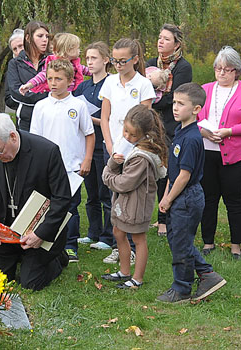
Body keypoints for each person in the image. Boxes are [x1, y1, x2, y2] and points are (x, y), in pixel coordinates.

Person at [0, 112, 71, 291]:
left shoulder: (47, 152)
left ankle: (58, 257)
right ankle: (18, 256)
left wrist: (41, 234)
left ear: (12, 137)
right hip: (6, 231)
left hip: (39, 231)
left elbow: (62, 198)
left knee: (30, 283)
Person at [157, 83, 227, 302]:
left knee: (181, 243)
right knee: (180, 240)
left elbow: (185, 176)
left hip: (187, 197)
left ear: (196, 109)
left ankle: (181, 289)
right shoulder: (181, 131)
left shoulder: (191, 138)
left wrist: (169, 198)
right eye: (174, 102)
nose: (175, 108)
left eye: (181, 104)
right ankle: (207, 275)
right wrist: (165, 193)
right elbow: (173, 171)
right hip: (178, 193)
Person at [197, 46, 241, 259]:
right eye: (218, 68)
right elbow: (192, 117)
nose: (222, 73)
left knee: (234, 199)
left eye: (227, 69)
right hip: (207, 153)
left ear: (236, 71)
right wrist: (204, 133)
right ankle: (208, 242)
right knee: (208, 198)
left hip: (237, 155)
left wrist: (229, 131)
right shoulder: (205, 89)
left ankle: (236, 244)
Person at [30, 59, 95, 262]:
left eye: (58, 79)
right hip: (46, 167)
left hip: (71, 168)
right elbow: (34, 139)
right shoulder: (40, 106)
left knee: (70, 208)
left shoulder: (78, 106)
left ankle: (70, 246)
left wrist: (87, 159)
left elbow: (89, 134)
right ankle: (48, 242)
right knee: (47, 207)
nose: (53, 82)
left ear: (70, 81)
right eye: (50, 78)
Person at [99, 38, 156, 264]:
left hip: (134, 151)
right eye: (115, 61)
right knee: (112, 197)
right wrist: (111, 148)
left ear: (135, 59)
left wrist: (129, 149)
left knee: (130, 200)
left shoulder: (143, 85)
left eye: (123, 61)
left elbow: (144, 122)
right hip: (113, 147)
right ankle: (118, 244)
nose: (118, 65)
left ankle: (131, 247)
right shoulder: (110, 82)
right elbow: (105, 118)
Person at [101, 105, 167, 289]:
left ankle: (137, 278)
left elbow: (124, 183)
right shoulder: (131, 145)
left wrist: (108, 173)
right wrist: (114, 162)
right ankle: (124, 271)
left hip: (137, 204)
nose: (127, 137)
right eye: (125, 131)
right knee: (118, 232)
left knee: (138, 238)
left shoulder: (142, 157)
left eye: (133, 134)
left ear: (145, 134)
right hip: (126, 202)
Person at [147, 24, 193, 237]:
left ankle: (165, 219)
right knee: (153, 173)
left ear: (177, 44)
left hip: (172, 126)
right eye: (159, 37)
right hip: (151, 125)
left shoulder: (183, 67)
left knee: (169, 172)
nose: (160, 41)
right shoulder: (149, 65)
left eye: (166, 39)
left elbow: (176, 97)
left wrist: (152, 101)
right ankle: (155, 216)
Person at [73, 41, 114, 251]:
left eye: (94, 58)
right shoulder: (83, 86)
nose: (89, 62)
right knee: (91, 195)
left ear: (106, 60)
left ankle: (108, 237)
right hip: (86, 146)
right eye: (87, 58)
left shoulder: (112, 84)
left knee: (106, 192)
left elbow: (113, 117)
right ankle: (93, 232)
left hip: (104, 144)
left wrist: (96, 120)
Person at [5, 21, 51, 130]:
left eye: (47, 36)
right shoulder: (15, 63)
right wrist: (44, 97)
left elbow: (61, 87)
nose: (45, 39)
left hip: (51, 117)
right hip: (26, 120)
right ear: (28, 38)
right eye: (40, 36)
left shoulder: (53, 59)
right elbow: (15, 92)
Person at [19, 33, 90, 94]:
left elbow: (88, 71)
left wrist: (99, 73)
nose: (79, 51)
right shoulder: (55, 64)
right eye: (77, 48)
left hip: (71, 95)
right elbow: (43, 75)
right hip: (56, 95)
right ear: (68, 50)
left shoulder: (75, 65)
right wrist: (30, 84)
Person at [4, 28, 25, 111]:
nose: (19, 51)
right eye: (15, 49)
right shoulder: (12, 69)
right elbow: (8, 98)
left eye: (20, 46)